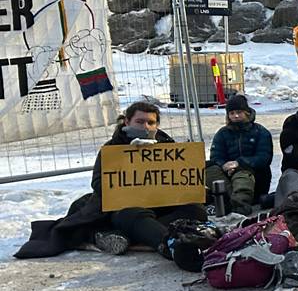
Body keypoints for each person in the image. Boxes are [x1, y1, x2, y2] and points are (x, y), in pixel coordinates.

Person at [15, 101, 207, 266]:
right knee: (132, 216)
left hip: (162, 206)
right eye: (140, 121)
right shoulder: (112, 149)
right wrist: (129, 172)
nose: (146, 127)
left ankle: (131, 235)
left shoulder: (168, 146)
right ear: (127, 121)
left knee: (196, 211)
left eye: (151, 122)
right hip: (127, 208)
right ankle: (171, 245)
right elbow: (98, 183)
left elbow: (183, 178)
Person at [205, 93, 273, 213]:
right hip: (228, 175)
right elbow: (216, 156)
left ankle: (240, 204)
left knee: (242, 172)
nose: (236, 116)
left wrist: (239, 163)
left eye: (239, 112)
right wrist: (224, 166)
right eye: (232, 113)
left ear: (246, 112)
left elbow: (264, 157)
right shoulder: (222, 133)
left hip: (254, 175)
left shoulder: (260, 132)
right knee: (208, 168)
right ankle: (230, 201)